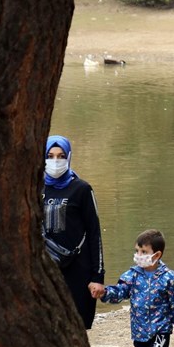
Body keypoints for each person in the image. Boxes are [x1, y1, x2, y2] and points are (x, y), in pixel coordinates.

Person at [42, 135, 104, 329]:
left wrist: (97, 277)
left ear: (68, 157)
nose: (55, 161)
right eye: (50, 156)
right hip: (45, 270)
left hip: (78, 271)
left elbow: (94, 234)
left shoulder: (82, 189)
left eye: (61, 156)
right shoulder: (34, 188)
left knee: (77, 327)